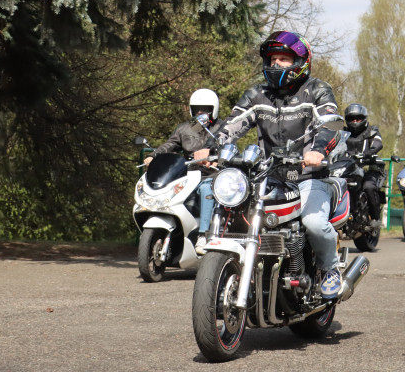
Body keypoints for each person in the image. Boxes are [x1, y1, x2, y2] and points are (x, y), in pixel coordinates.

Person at [193, 30, 345, 298]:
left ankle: (331, 270)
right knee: (238, 214)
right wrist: (213, 148)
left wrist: (318, 150)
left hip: (310, 176)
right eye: (273, 59)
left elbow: (329, 124)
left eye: (284, 59)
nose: (276, 64)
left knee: (312, 223)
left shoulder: (317, 91)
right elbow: (232, 124)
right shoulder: (257, 94)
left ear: (300, 62)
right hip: (269, 176)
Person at [143, 88, 221, 251]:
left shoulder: (223, 129)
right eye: (197, 109)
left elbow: (229, 150)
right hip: (188, 175)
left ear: (213, 110)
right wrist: (153, 156)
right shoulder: (185, 129)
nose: (201, 112)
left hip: (211, 175)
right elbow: (169, 145)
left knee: (207, 189)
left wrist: (216, 161)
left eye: (205, 109)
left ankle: (203, 235)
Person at [343, 103, 384, 223]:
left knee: (368, 187)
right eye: (351, 119)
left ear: (364, 119)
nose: (355, 121)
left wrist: (370, 152)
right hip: (347, 168)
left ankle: (375, 219)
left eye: (358, 118)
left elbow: (378, 142)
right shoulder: (342, 133)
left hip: (368, 167)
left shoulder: (371, 130)